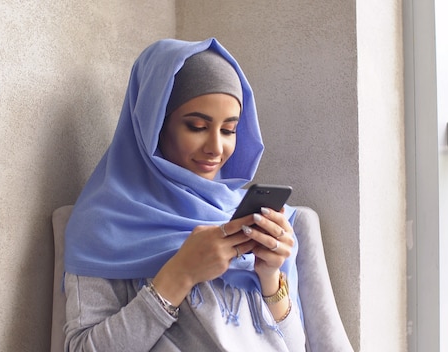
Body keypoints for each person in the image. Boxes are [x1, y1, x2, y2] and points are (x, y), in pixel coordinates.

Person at [63, 38, 306, 351]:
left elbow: (297, 346)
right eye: (196, 126)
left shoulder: (248, 218)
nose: (216, 148)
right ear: (154, 125)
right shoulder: (104, 224)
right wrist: (179, 274)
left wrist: (270, 275)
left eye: (229, 130)